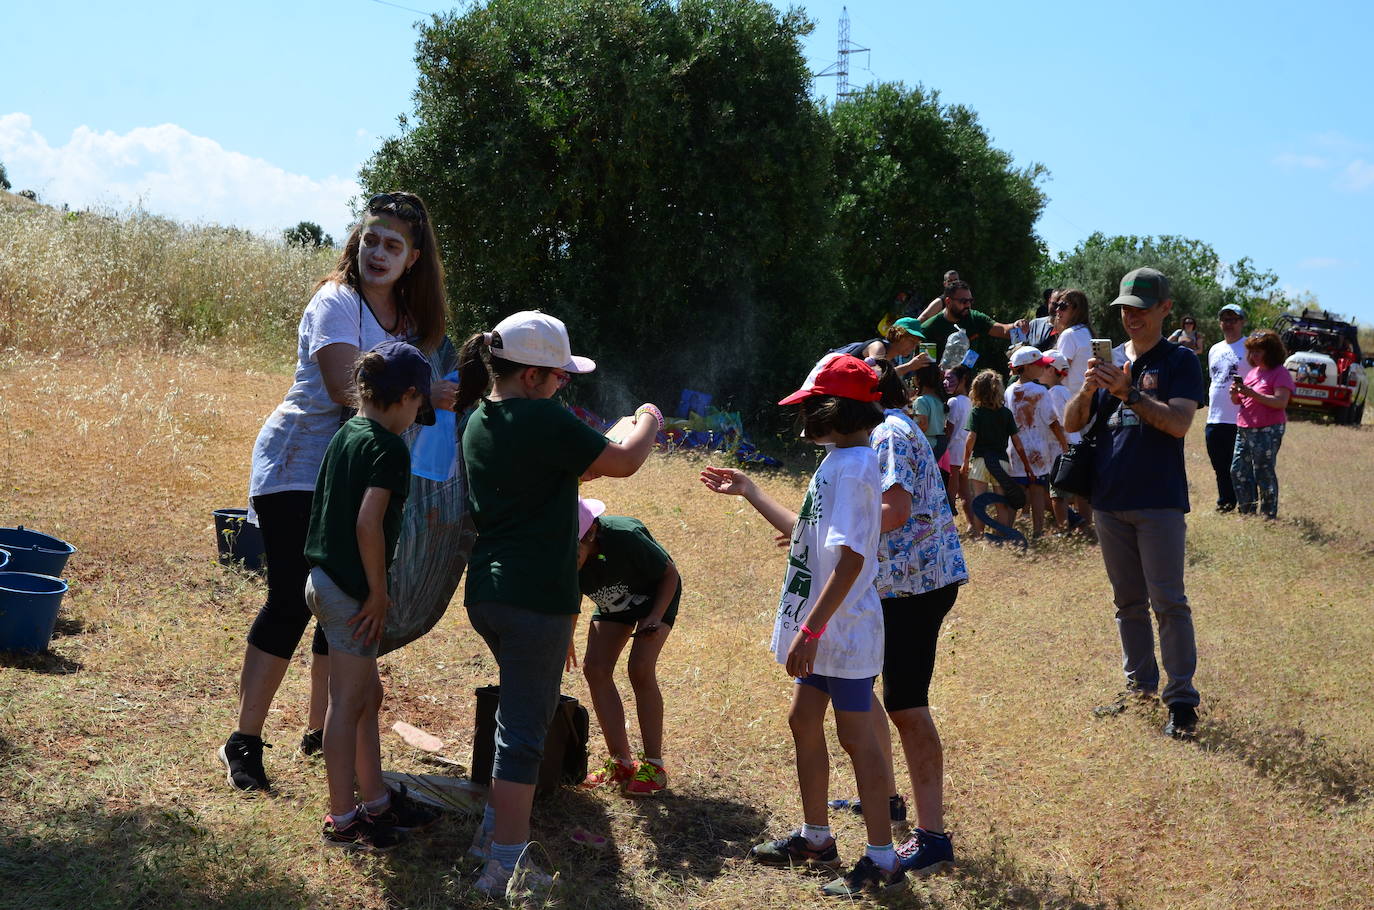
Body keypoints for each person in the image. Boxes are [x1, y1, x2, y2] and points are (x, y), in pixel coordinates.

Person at [222, 191, 452, 792]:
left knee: (342, 598)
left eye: (393, 245)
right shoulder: (336, 301)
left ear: (414, 257)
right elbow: (341, 387)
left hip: (353, 471)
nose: (378, 252)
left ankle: (322, 730)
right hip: (298, 464)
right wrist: (425, 398)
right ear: (358, 240)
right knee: (293, 599)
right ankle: (243, 739)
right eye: (371, 238)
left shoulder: (407, 320)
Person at [458, 311, 660, 898]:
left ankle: (493, 835)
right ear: (529, 375)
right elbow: (622, 461)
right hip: (534, 598)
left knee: (519, 716)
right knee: (523, 732)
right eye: (557, 376)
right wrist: (648, 419)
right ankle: (505, 865)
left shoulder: (481, 416)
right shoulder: (540, 415)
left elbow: (588, 462)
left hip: (491, 593)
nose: (562, 384)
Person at [700, 354, 906, 899]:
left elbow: (854, 561)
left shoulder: (858, 467)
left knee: (856, 737)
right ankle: (817, 837)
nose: (803, 418)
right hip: (822, 630)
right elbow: (809, 534)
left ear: (834, 411)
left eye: (811, 408)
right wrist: (752, 492)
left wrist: (810, 631)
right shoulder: (838, 462)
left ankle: (881, 857)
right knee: (803, 719)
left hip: (841, 631)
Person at [305, 342, 442, 850]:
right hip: (350, 592)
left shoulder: (348, 433)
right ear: (408, 396)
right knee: (346, 704)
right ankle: (343, 819)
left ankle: (377, 800)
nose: (416, 419)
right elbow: (369, 524)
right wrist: (378, 595)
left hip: (322, 581)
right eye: (419, 408)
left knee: (369, 695)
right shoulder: (388, 449)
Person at [1063, 267, 1206, 739]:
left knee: (1168, 601)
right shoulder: (1109, 360)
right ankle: (1139, 687)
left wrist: (1128, 394)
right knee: (1127, 602)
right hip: (1109, 500)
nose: (1131, 317)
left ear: (1164, 309)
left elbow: (1180, 424)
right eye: (1125, 308)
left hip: (1159, 501)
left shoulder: (1180, 361)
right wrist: (1089, 388)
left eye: (1141, 309)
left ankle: (1181, 700)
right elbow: (1071, 424)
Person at [866, 362, 968, 878]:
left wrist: (828, 529)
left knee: (906, 706)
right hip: (906, 581)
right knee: (881, 695)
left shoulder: (885, 432)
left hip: (915, 584)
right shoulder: (891, 426)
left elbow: (895, 510)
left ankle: (931, 837)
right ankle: (886, 802)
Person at [572, 497, 681, 797]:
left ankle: (654, 767)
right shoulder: (561, 548)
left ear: (591, 532)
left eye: (573, 549)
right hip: (613, 601)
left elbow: (669, 574)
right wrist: (566, 638)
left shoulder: (625, 536)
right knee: (595, 669)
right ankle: (621, 761)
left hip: (655, 597)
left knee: (640, 669)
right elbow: (571, 597)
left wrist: (656, 617)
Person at [1004, 347, 1070, 538]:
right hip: (1038, 452)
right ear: (1027, 367)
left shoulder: (1009, 391)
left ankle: (1008, 529)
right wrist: (1064, 444)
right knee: (1038, 492)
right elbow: (1052, 421)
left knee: (1016, 494)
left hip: (1015, 451)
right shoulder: (1040, 391)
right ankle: (1038, 531)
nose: (1043, 368)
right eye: (1039, 365)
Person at [1230, 329, 1294, 519]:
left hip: (1267, 428)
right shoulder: (1253, 373)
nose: (1253, 355)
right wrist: (1235, 393)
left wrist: (1252, 394)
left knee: (1263, 472)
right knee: (1238, 470)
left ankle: (1268, 515)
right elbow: (1240, 401)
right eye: (1251, 351)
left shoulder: (1280, 373)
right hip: (1244, 428)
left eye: (1258, 351)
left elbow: (1281, 402)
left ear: (1270, 351)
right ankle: (1247, 511)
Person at [961, 370, 1033, 536]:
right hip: (1001, 463)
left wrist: (965, 461)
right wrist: (1027, 466)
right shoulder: (1006, 414)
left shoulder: (976, 412)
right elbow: (1017, 443)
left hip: (980, 462)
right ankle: (1002, 535)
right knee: (1002, 503)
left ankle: (979, 535)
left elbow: (971, 438)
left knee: (979, 501)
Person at [920, 281, 1028, 372]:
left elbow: (1003, 330)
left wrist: (1016, 326)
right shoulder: (929, 329)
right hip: (940, 388)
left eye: (970, 301)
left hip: (968, 387)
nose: (968, 305)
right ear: (948, 301)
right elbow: (927, 368)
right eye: (963, 301)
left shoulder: (975, 318)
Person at [1204, 304, 1248, 511]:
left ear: (1242, 322)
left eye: (1233, 320)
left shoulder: (1249, 347)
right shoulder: (1215, 349)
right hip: (1215, 417)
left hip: (1239, 417)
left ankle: (1246, 503)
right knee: (1219, 465)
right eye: (1225, 320)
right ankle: (1226, 502)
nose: (1228, 324)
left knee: (1239, 466)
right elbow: (1214, 379)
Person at [834, 317, 932, 378]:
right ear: (898, 335)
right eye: (911, 341)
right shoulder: (878, 346)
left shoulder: (892, 362)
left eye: (916, 343)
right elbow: (876, 375)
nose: (914, 346)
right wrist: (909, 366)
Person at [942, 367, 975, 527]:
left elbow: (949, 429)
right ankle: (972, 524)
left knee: (952, 486)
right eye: (945, 378)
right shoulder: (969, 401)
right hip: (964, 448)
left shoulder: (953, 402)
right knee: (964, 490)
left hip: (953, 448)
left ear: (962, 380)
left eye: (950, 378)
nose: (945, 382)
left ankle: (948, 518)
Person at [1051, 289, 1094, 394]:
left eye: (1063, 306)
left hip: (1068, 398)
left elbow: (1059, 372)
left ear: (1076, 309)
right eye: (1056, 305)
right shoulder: (1086, 331)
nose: (1057, 310)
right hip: (1085, 397)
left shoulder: (1070, 334)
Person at [911, 364, 948, 460]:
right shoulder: (939, 399)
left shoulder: (921, 401)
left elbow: (923, 425)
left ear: (918, 379)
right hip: (939, 446)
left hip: (926, 446)